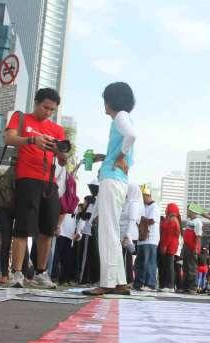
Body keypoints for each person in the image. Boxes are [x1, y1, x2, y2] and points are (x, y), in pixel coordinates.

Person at [4, 88, 65, 289]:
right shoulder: (21, 118)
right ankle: (18, 273)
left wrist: (61, 152)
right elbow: (9, 138)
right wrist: (32, 140)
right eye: (45, 107)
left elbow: (63, 161)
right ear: (36, 102)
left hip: (49, 182)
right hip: (27, 179)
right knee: (23, 228)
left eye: (52, 109)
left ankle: (41, 272)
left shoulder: (56, 129)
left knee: (47, 230)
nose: (48, 112)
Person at [82, 82, 136, 296]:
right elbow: (127, 140)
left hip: (111, 180)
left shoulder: (121, 116)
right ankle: (119, 282)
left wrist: (120, 156)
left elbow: (131, 135)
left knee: (107, 230)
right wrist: (108, 157)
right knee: (111, 230)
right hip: (117, 179)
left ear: (111, 100)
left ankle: (106, 282)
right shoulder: (123, 117)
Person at [133, 185, 160, 291]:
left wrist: (138, 221)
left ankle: (150, 284)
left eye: (142, 196)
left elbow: (152, 220)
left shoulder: (154, 207)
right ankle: (138, 283)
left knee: (149, 262)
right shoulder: (143, 207)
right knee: (139, 263)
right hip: (142, 239)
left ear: (147, 195)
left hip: (150, 239)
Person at [120, 181, 143, 283]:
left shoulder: (134, 203)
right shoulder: (127, 202)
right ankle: (124, 280)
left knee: (126, 258)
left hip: (129, 234)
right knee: (124, 258)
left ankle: (127, 280)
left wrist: (127, 235)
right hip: (124, 233)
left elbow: (132, 220)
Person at [158, 203, 181, 292]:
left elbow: (168, 235)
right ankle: (168, 285)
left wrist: (164, 246)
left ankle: (169, 285)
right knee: (168, 265)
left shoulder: (171, 220)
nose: (165, 210)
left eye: (167, 208)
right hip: (171, 245)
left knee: (168, 266)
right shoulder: (174, 220)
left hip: (169, 245)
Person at [182, 209, 203, 294]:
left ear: (193, 211)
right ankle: (186, 286)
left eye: (188, 211)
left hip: (192, 247)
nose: (187, 212)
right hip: (186, 247)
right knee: (186, 267)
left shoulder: (198, 222)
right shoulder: (189, 221)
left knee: (192, 267)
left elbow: (198, 236)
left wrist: (196, 248)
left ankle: (192, 287)